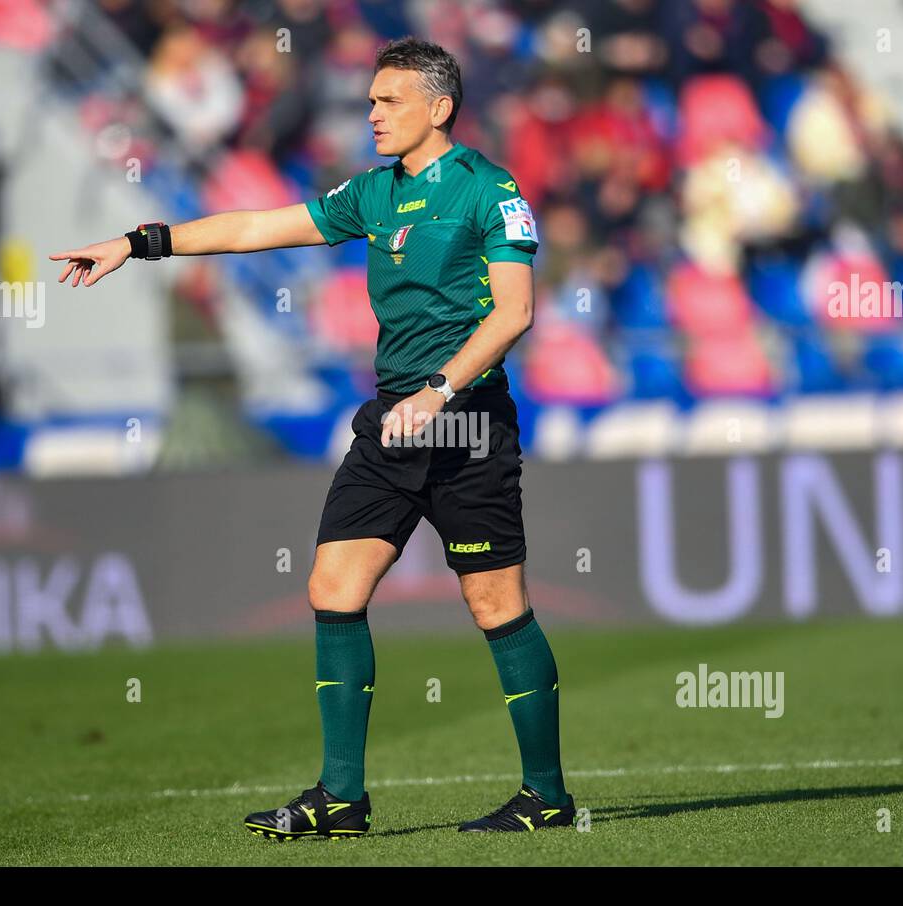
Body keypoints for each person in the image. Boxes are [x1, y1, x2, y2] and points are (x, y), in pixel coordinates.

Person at [49, 36, 574, 838]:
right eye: (369, 101)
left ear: (439, 108)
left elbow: (516, 312)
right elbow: (254, 229)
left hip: (465, 424)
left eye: (388, 101)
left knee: (497, 604)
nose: (372, 113)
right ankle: (341, 798)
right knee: (332, 588)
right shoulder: (372, 193)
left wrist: (440, 391)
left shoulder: (489, 191)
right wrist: (139, 241)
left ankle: (547, 796)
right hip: (390, 423)